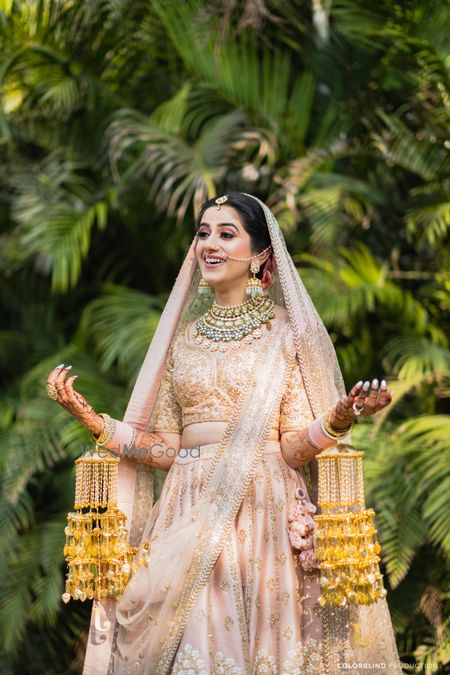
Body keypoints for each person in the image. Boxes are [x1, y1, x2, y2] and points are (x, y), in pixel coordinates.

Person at [47, 192, 400, 674]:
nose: (209, 244)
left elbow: (293, 447)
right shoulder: (183, 341)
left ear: (260, 255)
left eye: (226, 233)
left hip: (261, 511)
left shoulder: (285, 335)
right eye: (203, 233)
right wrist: (92, 419)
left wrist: (342, 414)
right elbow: (168, 448)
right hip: (185, 511)